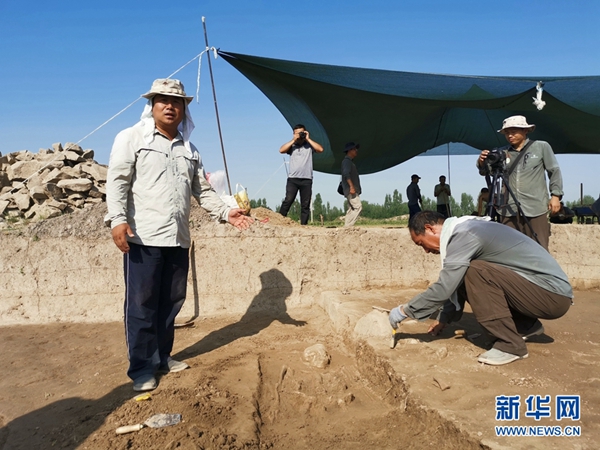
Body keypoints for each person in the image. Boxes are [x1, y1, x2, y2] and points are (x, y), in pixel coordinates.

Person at [104, 78, 253, 392]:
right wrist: (117, 220)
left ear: (184, 109)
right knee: (142, 305)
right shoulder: (132, 138)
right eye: (163, 100)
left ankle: (162, 357)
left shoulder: (190, 150)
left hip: (178, 239)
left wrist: (226, 212)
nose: (170, 106)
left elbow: (203, 191)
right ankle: (142, 368)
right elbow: (117, 182)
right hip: (143, 238)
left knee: (171, 301)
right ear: (152, 105)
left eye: (177, 102)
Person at [388, 211, 573, 366]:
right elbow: (454, 283)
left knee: (473, 270)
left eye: (421, 243)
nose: (426, 251)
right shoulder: (466, 227)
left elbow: (445, 287)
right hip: (546, 293)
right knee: (469, 270)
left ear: (430, 228)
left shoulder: (464, 235)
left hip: (552, 296)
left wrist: (404, 311)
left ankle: (510, 345)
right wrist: (444, 318)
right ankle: (525, 325)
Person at [476, 115, 564, 250]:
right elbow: (487, 173)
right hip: (508, 209)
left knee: (539, 248)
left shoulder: (541, 147)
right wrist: (482, 162)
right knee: (509, 250)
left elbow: (554, 170)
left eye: (513, 131)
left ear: (525, 130)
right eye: (507, 133)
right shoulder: (502, 152)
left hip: (535, 207)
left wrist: (556, 196)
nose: (510, 135)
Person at [278, 124, 324, 225]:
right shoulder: (292, 146)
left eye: (301, 133)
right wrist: (293, 139)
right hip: (293, 179)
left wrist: (308, 139)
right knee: (288, 200)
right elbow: (281, 150)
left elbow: (320, 149)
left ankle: (303, 225)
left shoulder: (309, 145)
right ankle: (279, 221)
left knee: (305, 204)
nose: (299, 135)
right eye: (297, 133)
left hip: (306, 179)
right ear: (294, 134)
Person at [341, 142, 362, 227]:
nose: (356, 151)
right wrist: (351, 187)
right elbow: (346, 174)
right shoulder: (347, 161)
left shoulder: (349, 162)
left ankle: (346, 228)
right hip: (350, 189)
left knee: (351, 209)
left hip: (349, 189)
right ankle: (348, 227)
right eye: (354, 149)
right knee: (358, 207)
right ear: (349, 150)